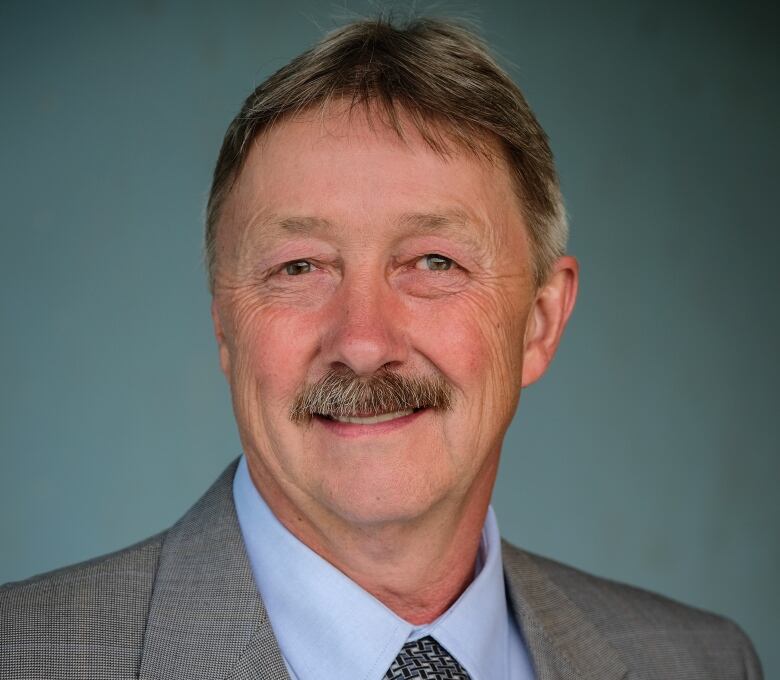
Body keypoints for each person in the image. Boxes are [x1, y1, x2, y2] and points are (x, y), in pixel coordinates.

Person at [0, 16, 762, 680]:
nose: (363, 343)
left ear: (539, 320)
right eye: (299, 267)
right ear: (225, 325)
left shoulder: (705, 664)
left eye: (434, 263)